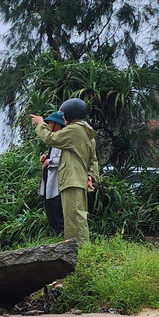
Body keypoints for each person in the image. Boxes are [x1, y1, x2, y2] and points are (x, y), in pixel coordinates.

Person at [30, 97, 99, 244]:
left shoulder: (74, 129)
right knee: (77, 216)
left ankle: (78, 252)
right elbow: (92, 160)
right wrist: (91, 176)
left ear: (69, 114)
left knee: (73, 219)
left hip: (71, 180)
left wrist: (40, 124)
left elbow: (50, 138)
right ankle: (80, 250)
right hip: (78, 179)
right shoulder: (86, 132)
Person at [37, 111, 67, 235]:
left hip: (58, 180)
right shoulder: (55, 140)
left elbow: (63, 159)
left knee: (57, 207)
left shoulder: (62, 139)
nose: (48, 125)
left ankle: (62, 234)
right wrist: (46, 158)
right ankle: (57, 233)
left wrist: (49, 162)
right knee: (50, 207)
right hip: (50, 179)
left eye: (50, 123)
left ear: (57, 125)